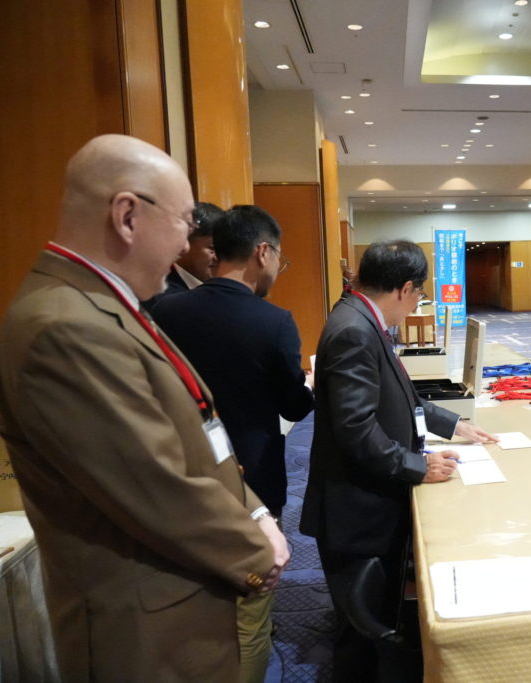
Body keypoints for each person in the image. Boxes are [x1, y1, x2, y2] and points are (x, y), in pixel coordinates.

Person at [0, 134, 288, 681]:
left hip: (180, 595)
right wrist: (256, 550)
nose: (189, 246)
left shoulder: (104, 304)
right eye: (183, 222)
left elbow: (197, 431)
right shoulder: (63, 326)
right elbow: (154, 481)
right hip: (145, 628)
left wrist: (253, 511)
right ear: (127, 215)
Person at [300, 240, 496, 680]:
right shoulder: (354, 330)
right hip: (356, 510)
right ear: (406, 288)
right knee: (363, 629)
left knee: (373, 616)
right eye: (418, 295)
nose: (414, 305)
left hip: (365, 499)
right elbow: (356, 429)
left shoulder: (360, 316)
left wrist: (454, 424)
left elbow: (400, 396)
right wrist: (418, 466)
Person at [151, 204, 314, 682]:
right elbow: (294, 408)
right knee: (252, 606)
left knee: (194, 600)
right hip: (252, 479)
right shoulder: (273, 321)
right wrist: (309, 386)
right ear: (262, 252)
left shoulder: (162, 310)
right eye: (279, 257)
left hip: (180, 475)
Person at [141, 200, 223, 311]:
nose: (220, 257)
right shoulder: (159, 294)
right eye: (213, 248)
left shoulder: (226, 288)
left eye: (225, 249)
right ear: (184, 242)